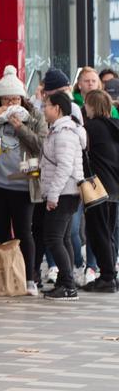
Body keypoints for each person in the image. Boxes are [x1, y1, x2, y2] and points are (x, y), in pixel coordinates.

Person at [0, 65, 47, 295]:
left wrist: (19, 127)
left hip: (24, 184)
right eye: (6, 99)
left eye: (16, 99)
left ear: (22, 98)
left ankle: (30, 278)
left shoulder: (34, 117)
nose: (11, 103)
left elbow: (41, 145)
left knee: (24, 232)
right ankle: (6, 278)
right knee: (1, 233)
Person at [40, 91, 86, 300]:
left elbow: (65, 166)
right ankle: (64, 283)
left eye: (46, 106)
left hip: (64, 192)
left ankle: (68, 285)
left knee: (53, 238)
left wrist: (53, 195)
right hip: (65, 192)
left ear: (57, 108)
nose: (44, 110)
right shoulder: (58, 130)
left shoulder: (65, 132)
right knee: (63, 237)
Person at [82, 90, 119, 293]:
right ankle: (111, 274)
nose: (84, 108)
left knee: (98, 233)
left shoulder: (90, 128)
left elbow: (84, 154)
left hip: (98, 188)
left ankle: (106, 277)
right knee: (109, 233)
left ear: (93, 106)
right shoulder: (116, 125)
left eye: (87, 104)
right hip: (115, 187)